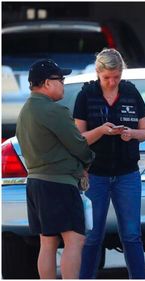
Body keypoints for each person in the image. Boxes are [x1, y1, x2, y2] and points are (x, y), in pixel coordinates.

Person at [74, 48, 145, 279]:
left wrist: (131, 133)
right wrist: (101, 130)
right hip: (95, 174)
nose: (111, 82)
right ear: (98, 73)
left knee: (131, 234)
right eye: (107, 77)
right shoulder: (86, 94)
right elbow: (79, 138)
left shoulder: (130, 91)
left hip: (127, 173)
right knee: (92, 234)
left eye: (116, 77)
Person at [16, 59, 95, 279]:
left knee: (48, 242)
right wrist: (87, 162)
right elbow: (78, 144)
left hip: (35, 183)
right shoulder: (53, 110)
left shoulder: (26, 110)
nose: (62, 84)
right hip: (59, 184)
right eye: (60, 80)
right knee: (75, 239)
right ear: (46, 83)